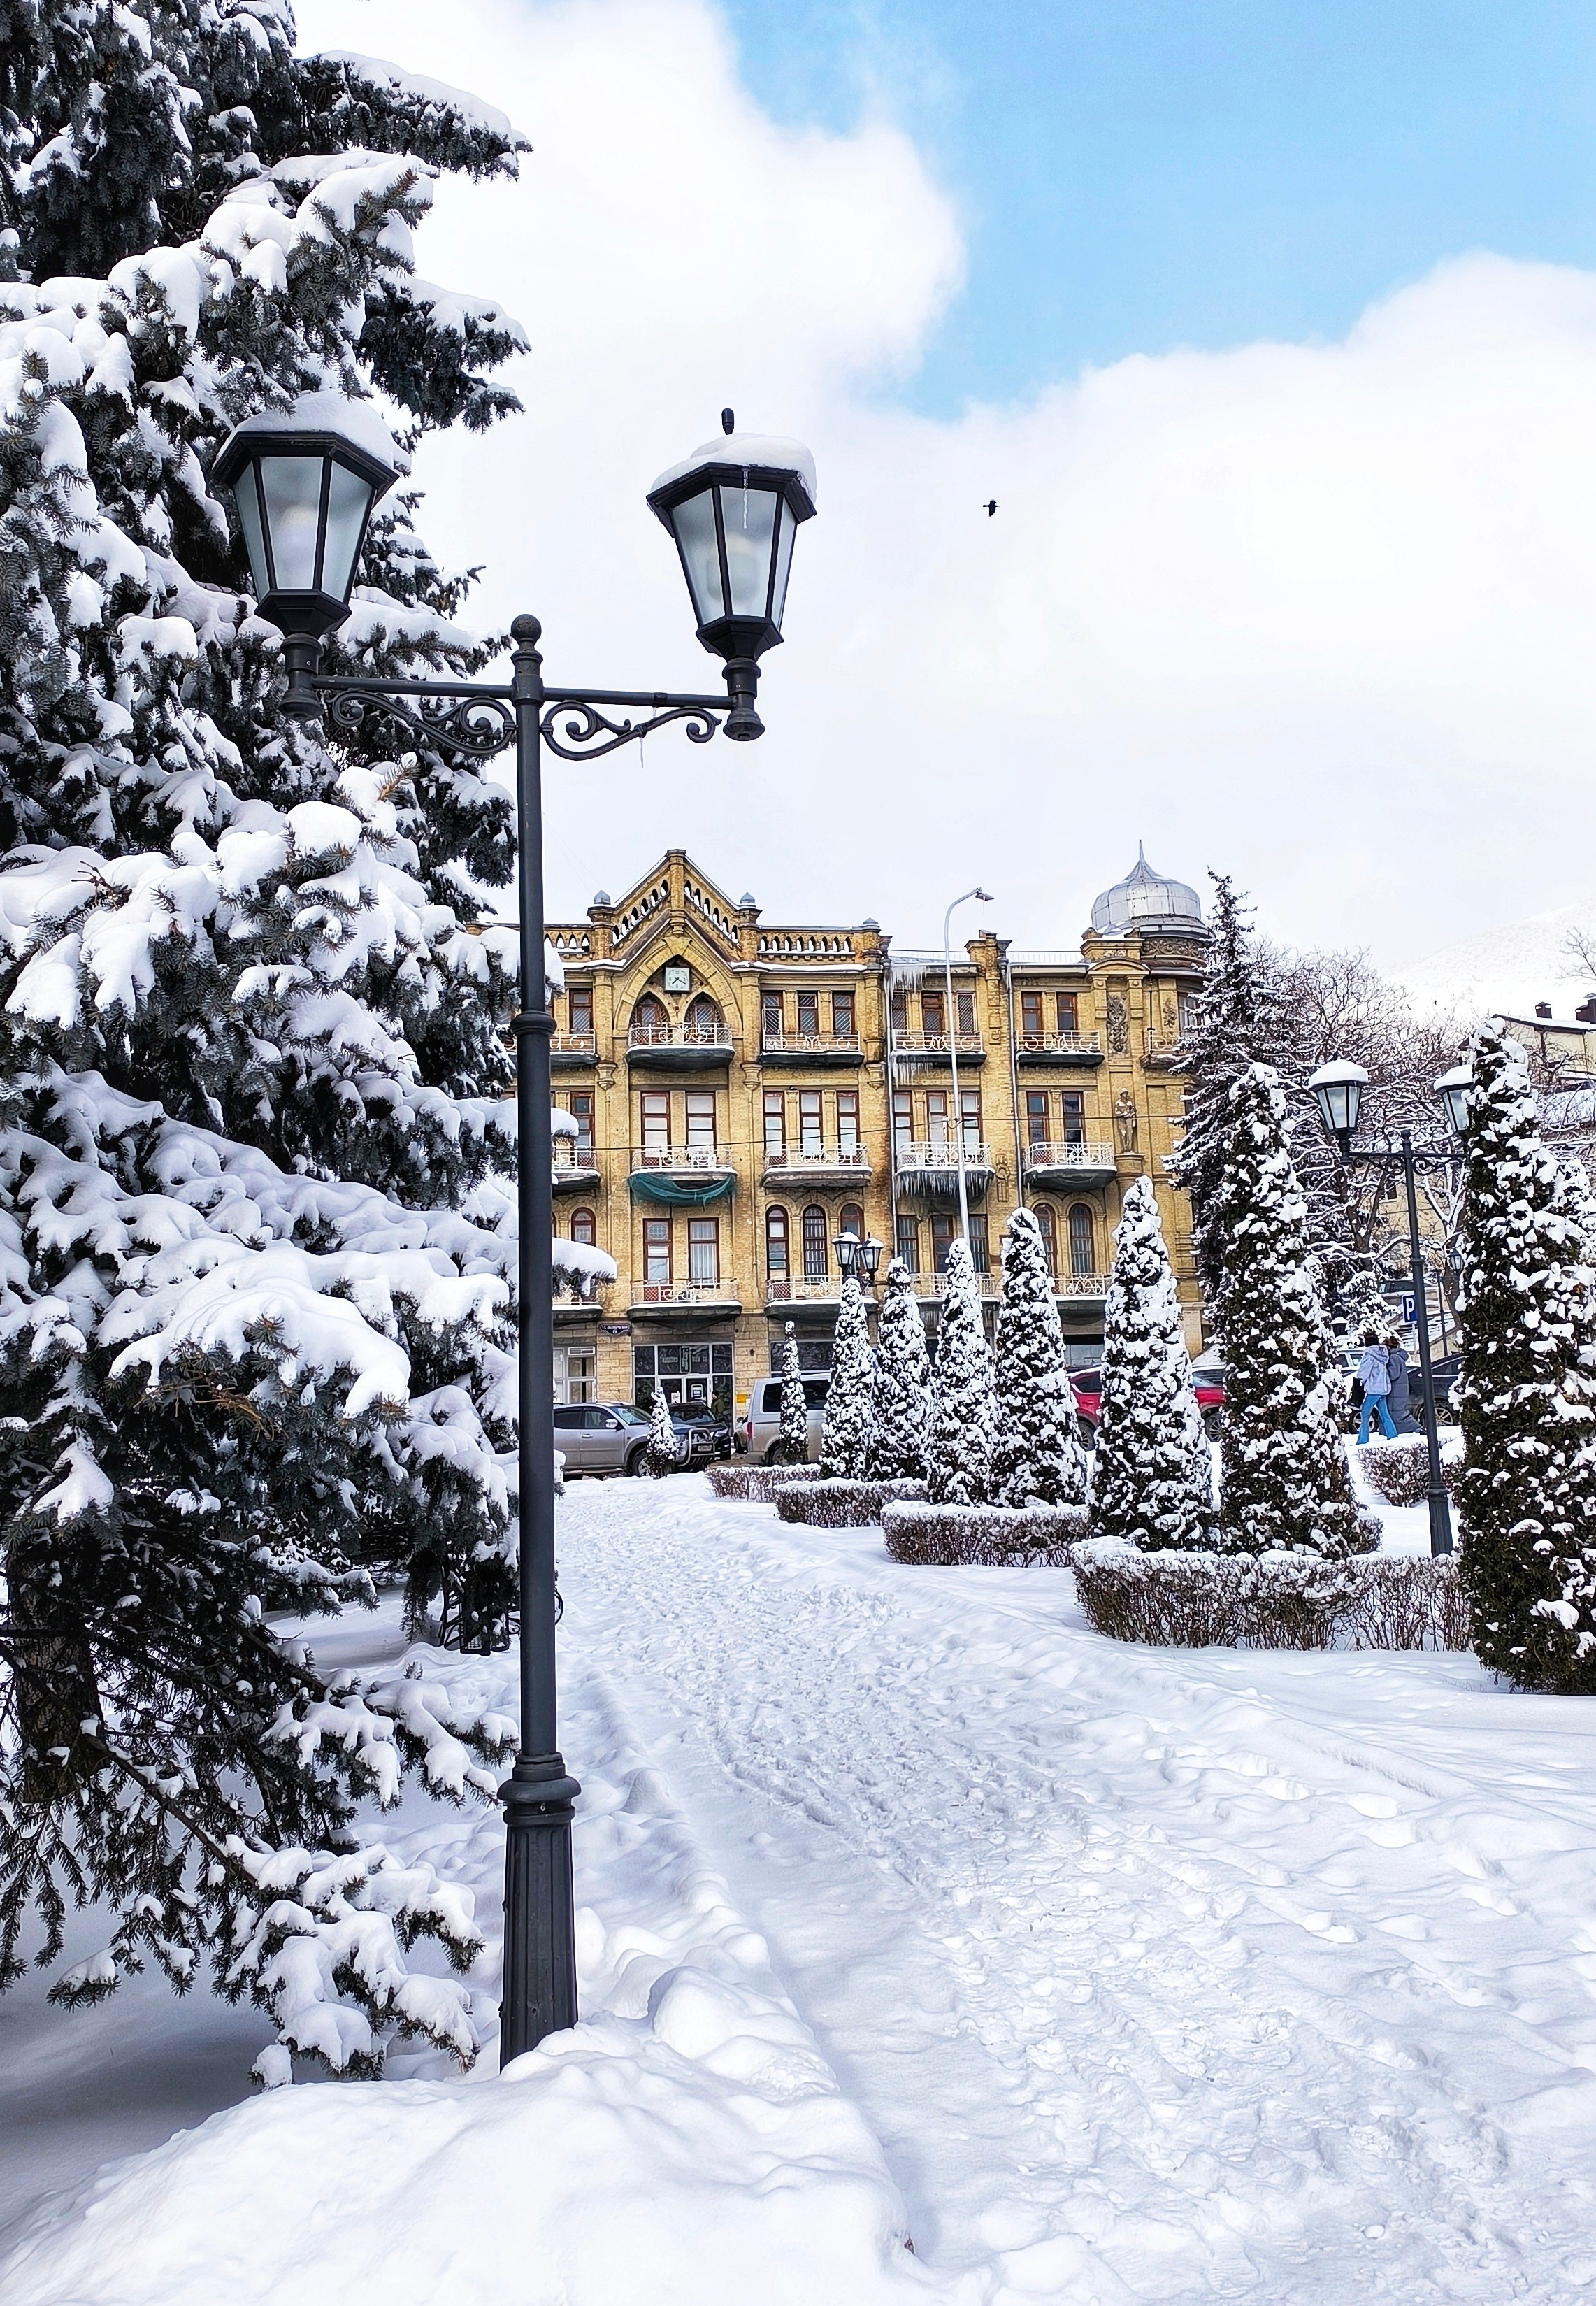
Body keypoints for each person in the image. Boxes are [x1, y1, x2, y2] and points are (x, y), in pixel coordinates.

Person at [1356, 1330, 1397, 1442]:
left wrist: (1359, 1381)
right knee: (1384, 1414)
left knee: (1365, 1413)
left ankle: (1363, 1440)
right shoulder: (1383, 1354)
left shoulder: (1369, 1354)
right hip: (1383, 1388)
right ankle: (1392, 1435)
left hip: (1374, 1389)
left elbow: (1364, 1371)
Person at [1385, 1331, 1416, 1434]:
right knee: (1398, 1412)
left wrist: (1383, 1373)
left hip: (1396, 1390)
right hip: (1399, 1389)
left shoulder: (1394, 1358)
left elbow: (1393, 1374)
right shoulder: (1398, 1357)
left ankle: (1416, 1428)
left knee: (1398, 1412)